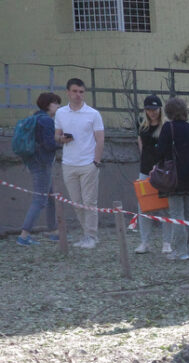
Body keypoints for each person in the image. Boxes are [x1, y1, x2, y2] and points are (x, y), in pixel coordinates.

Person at [54, 78, 104, 249]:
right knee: (76, 202)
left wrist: (96, 161)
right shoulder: (61, 113)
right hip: (69, 163)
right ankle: (86, 234)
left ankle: (92, 236)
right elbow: (56, 135)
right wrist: (61, 138)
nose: (78, 95)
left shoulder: (93, 114)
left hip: (88, 163)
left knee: (89, 201)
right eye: (75, 91)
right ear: (68, 92)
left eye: (81, 92)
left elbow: (100, 139)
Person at [157, 97, 189, 260]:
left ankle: (180, 251)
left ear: (168, 112)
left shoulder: (167, 128)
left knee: (177, 213)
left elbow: (161, 151)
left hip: (174, 176)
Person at [16, 92, 60, 246]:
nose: (58, 106)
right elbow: (49, 145)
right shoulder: (47, 121)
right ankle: (24, 236)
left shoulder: (35, 117)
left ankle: (54, 231)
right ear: (48, 104)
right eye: (56, 103)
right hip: (42, 163)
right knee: (40, 200)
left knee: (50, 197)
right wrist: (63, 142)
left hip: (33, 161)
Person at [135, 94, 171, 254]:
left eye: (155, 109)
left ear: (160, 109)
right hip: (145, 171)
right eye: (149, 109)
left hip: (163, 172)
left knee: (166, 208)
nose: (152, 112)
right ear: (145, 110)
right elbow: (141, 145)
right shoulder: (141, 126)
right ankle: (145, 242)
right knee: (144, 208)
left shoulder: (166, 126)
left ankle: (167, 243)